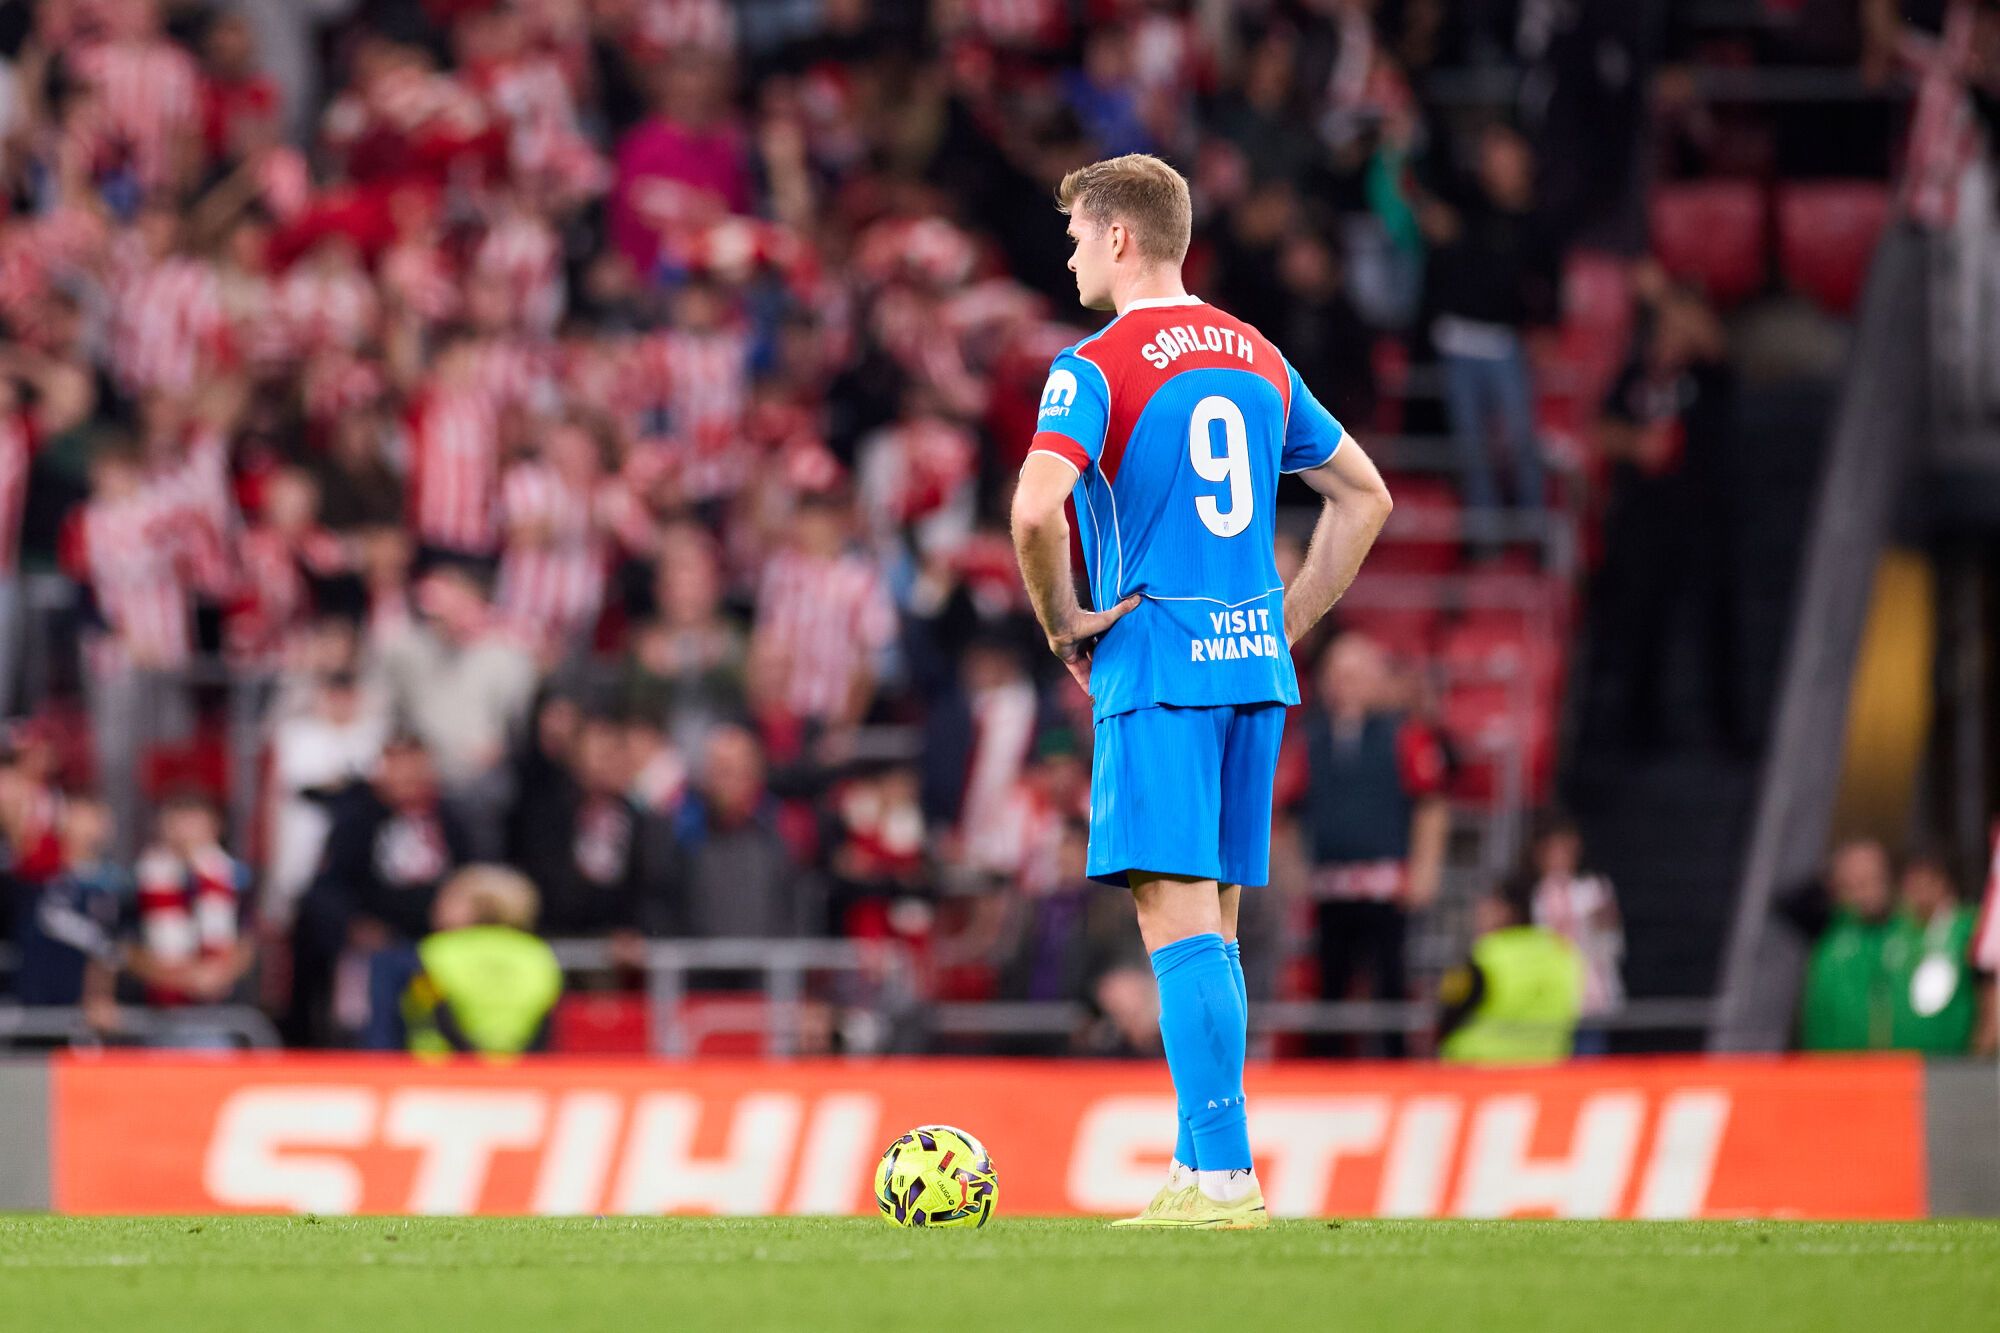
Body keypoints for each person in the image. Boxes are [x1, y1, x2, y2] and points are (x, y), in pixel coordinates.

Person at [1010, 153, 1392, 1228]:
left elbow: (1036, 510)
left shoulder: (1094, 365)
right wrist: (1287, 618)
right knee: (1212, 931)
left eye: (1080, 232)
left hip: (1156, 665)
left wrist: (1061, 621)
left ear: (1122, 237)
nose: (1072, 250)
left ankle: (1223, 1176)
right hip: (1248, 668)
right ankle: (1195, 1167)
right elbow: (1362, 496)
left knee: (1171, 926)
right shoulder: (1257, 354)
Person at [1297, 632, 1450, 1056]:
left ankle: (1397, 1068)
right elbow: (1292, 808)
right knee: (1329, 988)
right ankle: (1327, 1075)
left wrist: (1425, 870)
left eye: (1357, 674)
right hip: (1329, 887)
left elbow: (1430, 805)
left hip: (1388, 887)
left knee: (1391, 984)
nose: (1346, 685)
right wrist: (1294, 875)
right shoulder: (1312, 738)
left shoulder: (1404, 734)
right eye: (1338, 675)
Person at [394, 865, 563, 1058]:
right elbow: (546, 1021)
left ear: (479, 905)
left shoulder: (436, 951)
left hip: (442, 1072)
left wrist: (473, 1059)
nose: (437, 906)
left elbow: (431, 1017)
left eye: (449, 898)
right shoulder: (537, 953)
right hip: (519, 1071)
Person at [1437, 882, 1586, 1064]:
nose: (1479, 911)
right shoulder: (1562, 953)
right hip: (1547, 1071)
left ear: (1507, 911)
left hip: (1479, 1072)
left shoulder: (1484, 954)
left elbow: (1448, 1010)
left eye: (1489, 904)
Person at [1797, 839, 1897, 1051]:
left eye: (1875, 880)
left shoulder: (1914, 934)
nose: (1867, 893)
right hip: (1841, 1073)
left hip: (1911, 1072)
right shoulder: (1828, 945)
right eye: (1856, 884)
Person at [1882, 855, 1980, 1055]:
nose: (1921, 894)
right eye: (1914, 886)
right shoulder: (1893, 931)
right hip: (1899, 1055)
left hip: (1953, 1053)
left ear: (1945, 885)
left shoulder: (1967, 926)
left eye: (1927, 884)